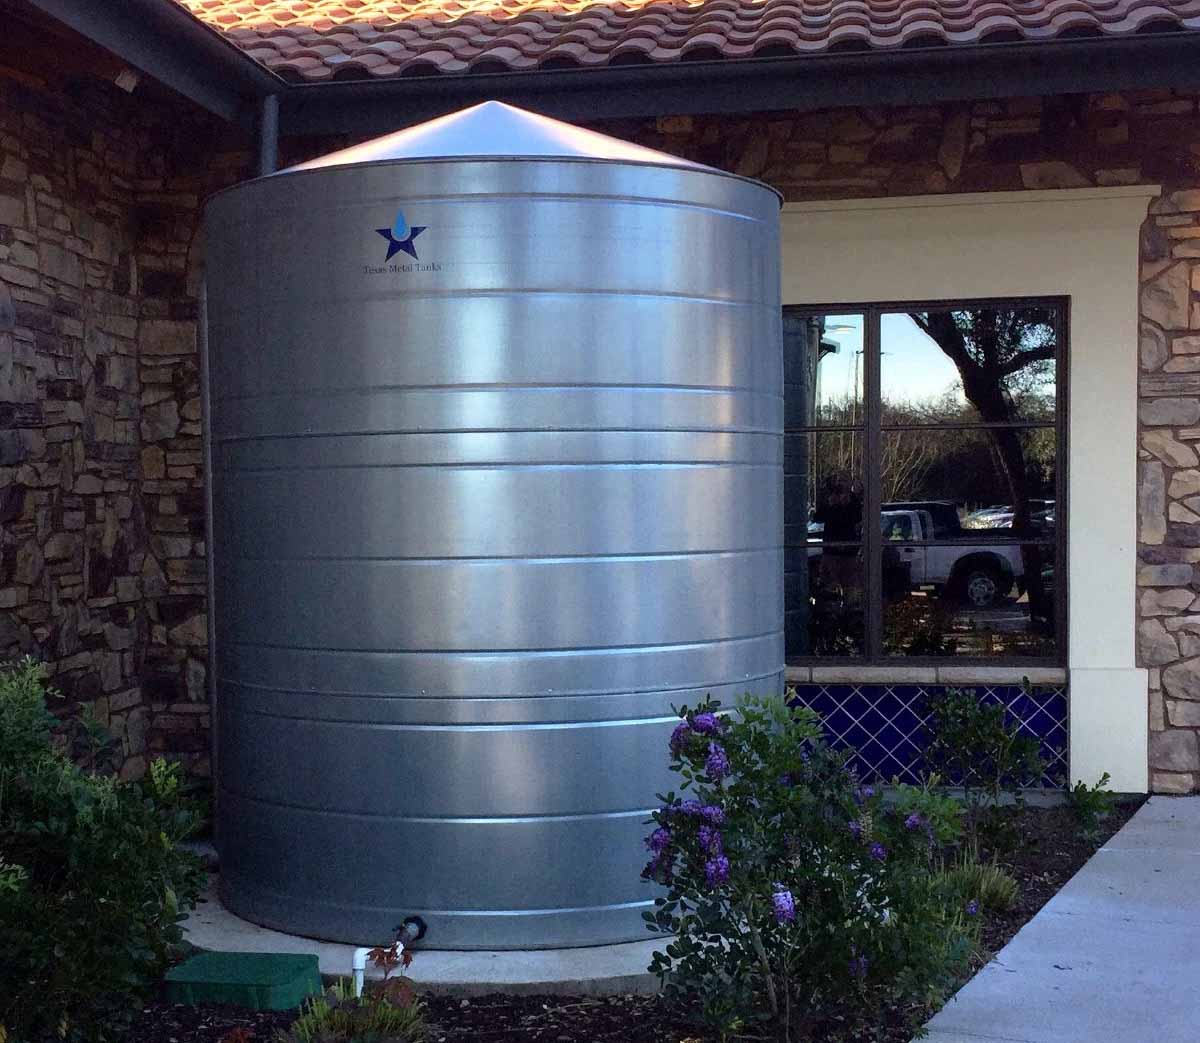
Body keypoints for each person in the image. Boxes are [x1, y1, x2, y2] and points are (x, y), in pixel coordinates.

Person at [814, 474, 863, 603]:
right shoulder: (830, 500)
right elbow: (817, 518)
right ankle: (830, 612)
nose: (841, 485)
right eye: (839, 482)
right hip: (831, 552)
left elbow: (857, 518)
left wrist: (848, 503)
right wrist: (831, 504)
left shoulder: (854, 501)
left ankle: (850, 613)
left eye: (844, 481)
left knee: (851, 592)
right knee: (828, 590)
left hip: (848, 553)